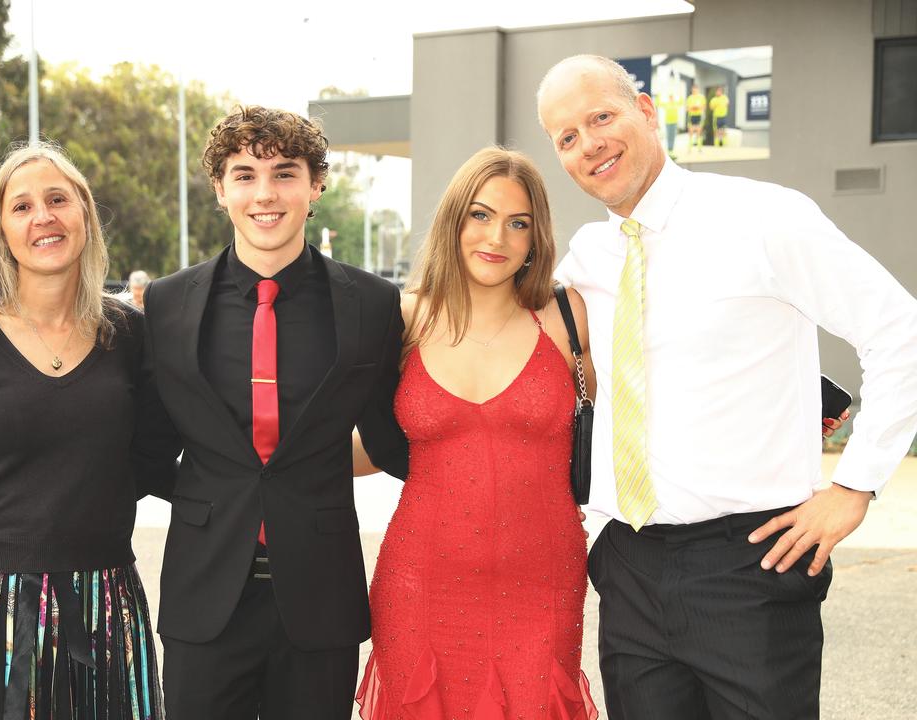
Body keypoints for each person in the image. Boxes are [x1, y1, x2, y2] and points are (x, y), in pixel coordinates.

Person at [537, 54, 917, 719]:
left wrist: (856, 486)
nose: (589, 143)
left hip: (750, 565)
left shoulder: (761, 217)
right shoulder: (589, 260)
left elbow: (899, 331)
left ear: (647, 112)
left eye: (602, 116)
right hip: (629, 564)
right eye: (567, 137)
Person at [136, 105, 409, 719]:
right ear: (220, 190)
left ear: (316, 186)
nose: (266, 193)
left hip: (319, 597)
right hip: (203, 595)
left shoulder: (370, 303)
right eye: (245, 174)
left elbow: (393, 440)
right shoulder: (169, 303)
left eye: (285, 173)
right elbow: (147, 447)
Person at [0, 143, 164, 719]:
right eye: (20, 207)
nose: (42, 216)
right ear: (1, 232)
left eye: (56, 199)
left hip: (102, 602)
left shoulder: (130, 336)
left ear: (85, 215)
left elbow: (149, 459)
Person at [354, 147, 599, 719]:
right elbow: (378, 446)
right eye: (481, 216)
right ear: (453, 221)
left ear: (536, 238)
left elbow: (620, 425)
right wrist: (267, 461)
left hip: (542, 582)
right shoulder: (404, 318)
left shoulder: (567, 318)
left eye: (519, 223)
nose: (498, 237)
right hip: (421, 580)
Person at [685, 84, 706, 150]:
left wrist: (698, 107)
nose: (695, 91)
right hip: (691, 116)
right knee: (691, 131)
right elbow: (687, 108)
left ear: (698, 90)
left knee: (699, 131)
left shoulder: (701, 97)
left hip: (699, 116)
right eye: (693, 90)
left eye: (696, 89)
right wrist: (692, 107)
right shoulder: (690, 98)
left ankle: (699, 147)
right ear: (692, 90)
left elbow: (704, 107)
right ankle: (690, 147)